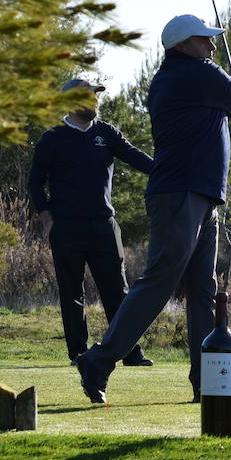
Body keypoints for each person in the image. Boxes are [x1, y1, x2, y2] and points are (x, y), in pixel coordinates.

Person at [76, 14, 231, 403]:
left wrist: (226, 101)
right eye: (203, 39)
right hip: (180, 193)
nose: (211, 46)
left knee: (204, 290)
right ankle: (98, 362)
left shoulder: (184, 77)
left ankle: (206, 383)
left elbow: (224, 100)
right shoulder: (195, 73)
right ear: (181, 45)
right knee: (160, 281)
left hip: (202, 196)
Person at [28, 79, 154, 367]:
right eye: (88, 96)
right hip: (67, 228)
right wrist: (47, 218)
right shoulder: (52, 138)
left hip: (104, 225)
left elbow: (137, 158)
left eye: (96, 96)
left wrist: (169, 169)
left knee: (118, 290)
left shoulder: (106, 133)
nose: (95, 101)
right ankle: (79, 353)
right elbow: (35, 183)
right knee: (72, 293)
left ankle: (129, 352)